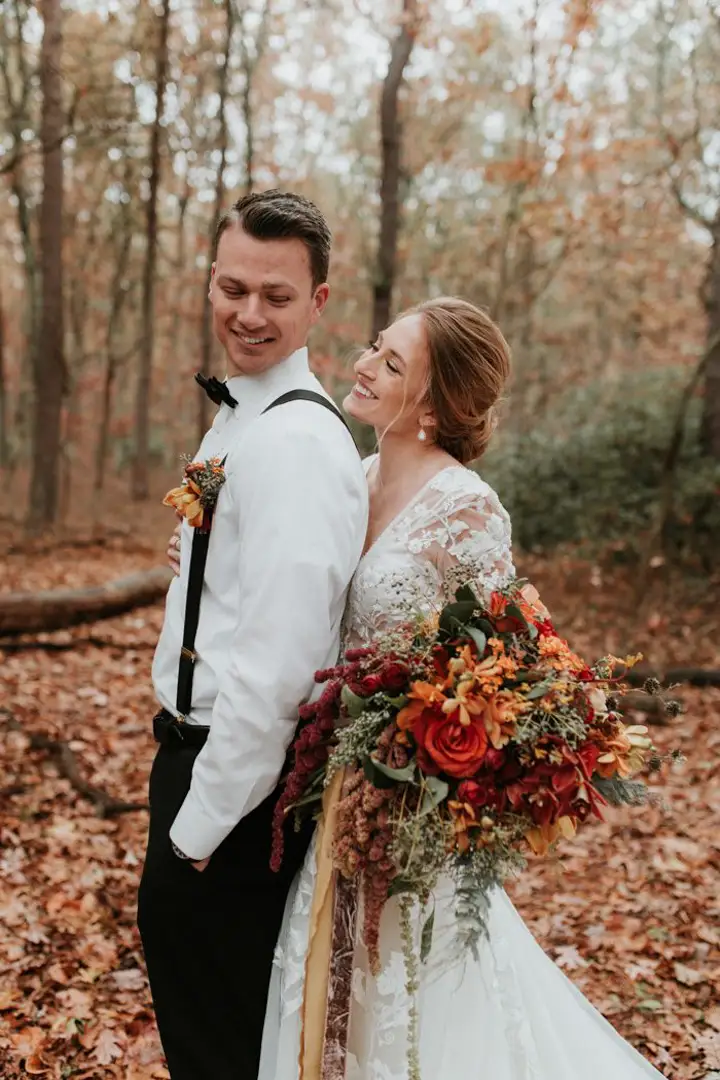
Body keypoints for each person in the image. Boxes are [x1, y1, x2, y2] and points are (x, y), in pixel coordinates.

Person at [254, 297, 667, 1078]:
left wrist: (421, 760)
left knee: (412, 996)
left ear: (436, 406)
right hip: (332, 786)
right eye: (376, 348)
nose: (365, 364)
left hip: (411, 805)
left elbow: (503, 670)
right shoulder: (354, 476)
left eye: (392, 362)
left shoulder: (467, 509)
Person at [138, 189, 368, 1080]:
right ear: (210, 282)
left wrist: (196, 829)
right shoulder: (244, 417)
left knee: (221, 1048)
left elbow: (278, 674)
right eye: (234, 288)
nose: (249, 313)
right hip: (203, 767)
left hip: (232, 795)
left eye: (276, 296)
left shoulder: (300, 445)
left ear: (317, 303)